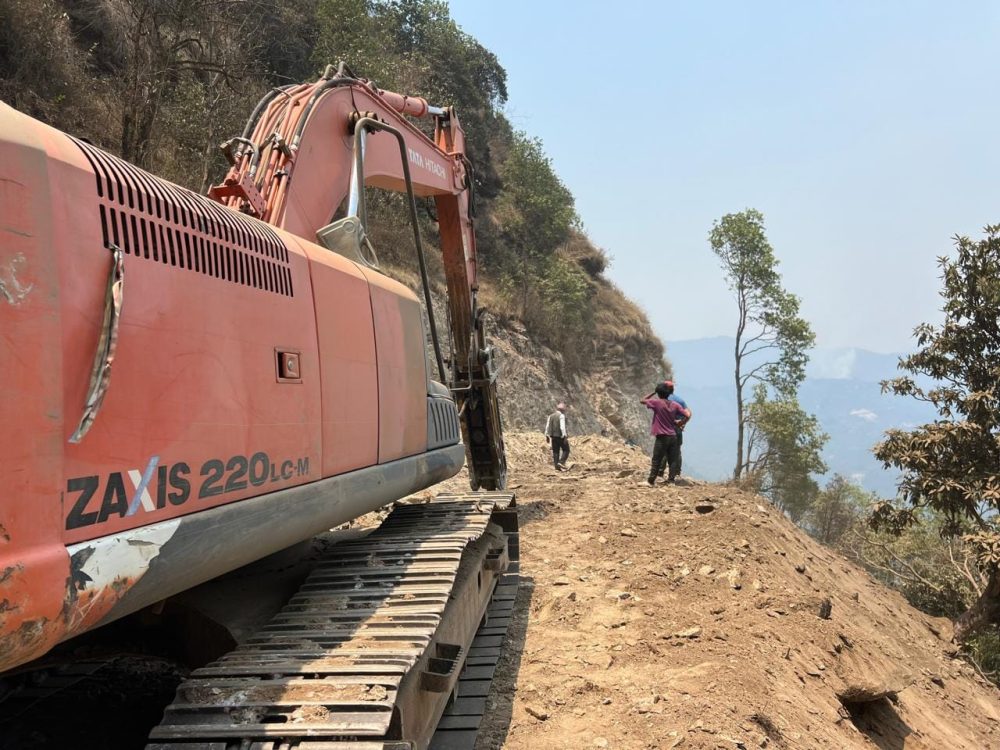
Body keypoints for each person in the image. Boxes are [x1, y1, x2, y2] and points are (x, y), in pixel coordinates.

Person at [641, 383, 690, 486]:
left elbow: (642, 400)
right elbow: (687, 414)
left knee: (656, 459)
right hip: (673, 435)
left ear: (659, 393)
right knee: (672, 459)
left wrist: (653, 392)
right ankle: (671, 481)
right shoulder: (675, 404)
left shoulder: (656, 403)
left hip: (662, 436)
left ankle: (651, 481)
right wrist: (680, 423)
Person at [658, 380, 692, 480]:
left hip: (664, 429)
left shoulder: (661, 400)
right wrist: (682, 423)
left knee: (663, 450)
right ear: (673, 389)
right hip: (676, 429)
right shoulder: (679, 400)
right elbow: (689, 413)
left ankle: (660, 472)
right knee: (676, 451)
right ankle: (676, 474)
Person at [544, 402, 570, 470]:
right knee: (566, 450)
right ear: (562, 410)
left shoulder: (550, 416)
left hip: (553, 436)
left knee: (555, 451)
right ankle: (561, 462)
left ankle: (556, 467)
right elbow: (562, 427)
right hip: (560, 436)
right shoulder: (561, 416)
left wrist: (546, 435)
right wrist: (565, 436)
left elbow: (547, 426)